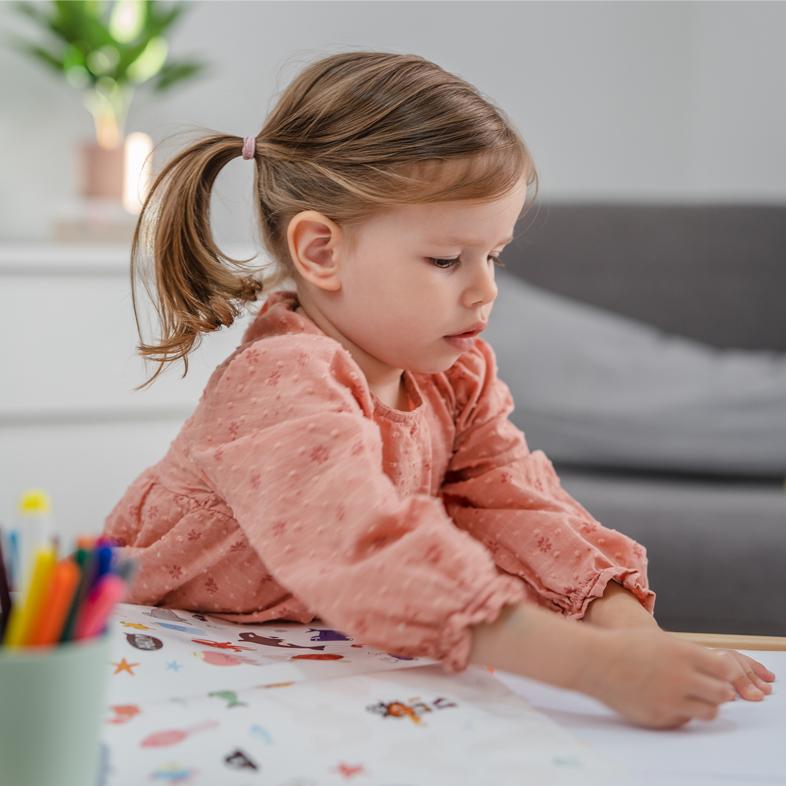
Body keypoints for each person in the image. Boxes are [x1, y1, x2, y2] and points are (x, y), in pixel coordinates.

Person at [103, 50, 775, 729]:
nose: (486, 289)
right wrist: (593, 667)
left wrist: (630, 633)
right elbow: (365, 550)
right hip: (160, 653)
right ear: (321, 252)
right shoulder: (280, 380)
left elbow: (519, 506)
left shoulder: (456, 376)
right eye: (448, 260)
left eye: (495, 256)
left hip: (306, 650)